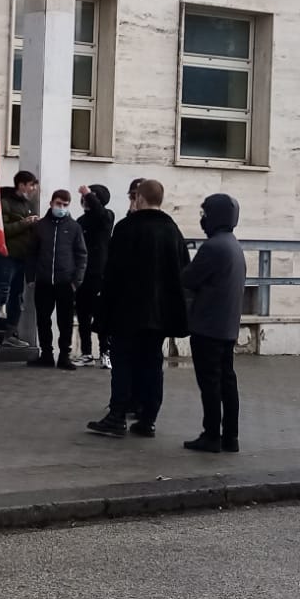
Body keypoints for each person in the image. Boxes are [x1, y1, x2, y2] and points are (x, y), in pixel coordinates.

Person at [86, 179, 189, 438]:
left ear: (139, 199)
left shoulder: (126, 228)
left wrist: (104, 312)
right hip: (159, 314)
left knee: (123, 362)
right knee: (152, 364)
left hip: (127, 311)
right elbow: (182, 272)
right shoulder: (172, 230)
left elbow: (113, 273)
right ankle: (148, 418)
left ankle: (117, 415)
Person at [182, 193, 246, 454]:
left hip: (207, 326)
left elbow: (189, 279)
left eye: (205, 214)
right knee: (227, 382)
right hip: (227, 326)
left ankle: (211, 434)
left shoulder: (213, 247)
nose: (202, 219)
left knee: (210, 383)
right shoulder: (233, 245)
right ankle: (230, 436)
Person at [27, 189, 88, 370]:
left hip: (65, 283)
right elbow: (31, 253)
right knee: (43, 319)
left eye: (65, 205)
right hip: (44, 281)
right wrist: (31, 277)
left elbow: (81, 255)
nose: (61, 208)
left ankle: (64, 356)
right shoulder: (40, 226)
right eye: (58, 204)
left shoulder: (74, 227)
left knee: (65, 321)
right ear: (51, 203)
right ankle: (46, 354)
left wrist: (76, 281)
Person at [0, 171, 42, 349]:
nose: (33, 189)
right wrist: (25, 223)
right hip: (6, 256)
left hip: (22, 258)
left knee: (17, 297)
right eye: (31, 185)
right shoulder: (5, 203)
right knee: (0, 294)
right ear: (22, 185)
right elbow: (2, 230)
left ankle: (11, 334)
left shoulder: (28, 204)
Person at [75, 184, 115, 368]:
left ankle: (105, 352)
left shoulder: (106, 216)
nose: (84, 200)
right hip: (84, 274)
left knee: (102, 315)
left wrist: (88, 194)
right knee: (83, 314)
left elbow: (99, 213)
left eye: (89, 197)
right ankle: (86, 353)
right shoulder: (81, 221)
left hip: (100, 274)